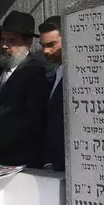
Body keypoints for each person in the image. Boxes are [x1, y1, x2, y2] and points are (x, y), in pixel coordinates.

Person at [0, 10, 49, 168]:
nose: (4, 46)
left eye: (11, 41)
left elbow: (32, 119)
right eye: (2, 40)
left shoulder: (35, 72)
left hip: (20, 164)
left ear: (27, 43)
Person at [39, 15, 65, 172]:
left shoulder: (79, 75)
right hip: (54, 164)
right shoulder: (56, 71)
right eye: (43, 45)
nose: (46, 51)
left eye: (52, 44)